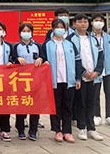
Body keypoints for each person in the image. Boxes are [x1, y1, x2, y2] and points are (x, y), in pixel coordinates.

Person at [42, 18, 81, 143]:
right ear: (52, 29)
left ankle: (67, 131)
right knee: (55, 106)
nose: (60, 30)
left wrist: (77, 78)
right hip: (53, 81)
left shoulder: (70, 44)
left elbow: (77, 61)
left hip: (68, 80)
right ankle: (57, 130)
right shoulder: (47, 44)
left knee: (68, 106)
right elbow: (42, 59)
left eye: (62, 28)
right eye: (57, 27)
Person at [68, 13, 104, 141]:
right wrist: (83, 72)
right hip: (80, 77)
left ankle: (91, 129)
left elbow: (101, 56)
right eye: (80, 21)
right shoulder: (70, 39)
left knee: (92, 102)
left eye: (85, 21)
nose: (83, 23)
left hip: (94, 76)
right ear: (74, 24)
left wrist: (97, 72)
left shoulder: (93, 39)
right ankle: (81, 128)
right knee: (80, 103)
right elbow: (73, 59)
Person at [12, 23, 44, 141]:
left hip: (35, 80)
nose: (26, 33)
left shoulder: (37, 45)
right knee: (21, 105)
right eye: (24, 31)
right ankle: (20, 129)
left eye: (28, 30)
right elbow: (12, 59)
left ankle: (33, 130)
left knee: (34, 106)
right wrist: (17, 59)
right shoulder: (16, 46)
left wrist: (41, 59)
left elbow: (44, 58)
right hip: (21, 80)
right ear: (20, 33)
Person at [92, 14, 110, 126]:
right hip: (95, 70)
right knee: (95, 94)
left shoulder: (108, 38)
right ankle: (96, 115)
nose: (98, 22)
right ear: (92, 22)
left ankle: (108, 116)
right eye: (96, 20)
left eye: (100, 20)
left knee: (109, 93)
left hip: (108, 69)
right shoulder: (89, 37)